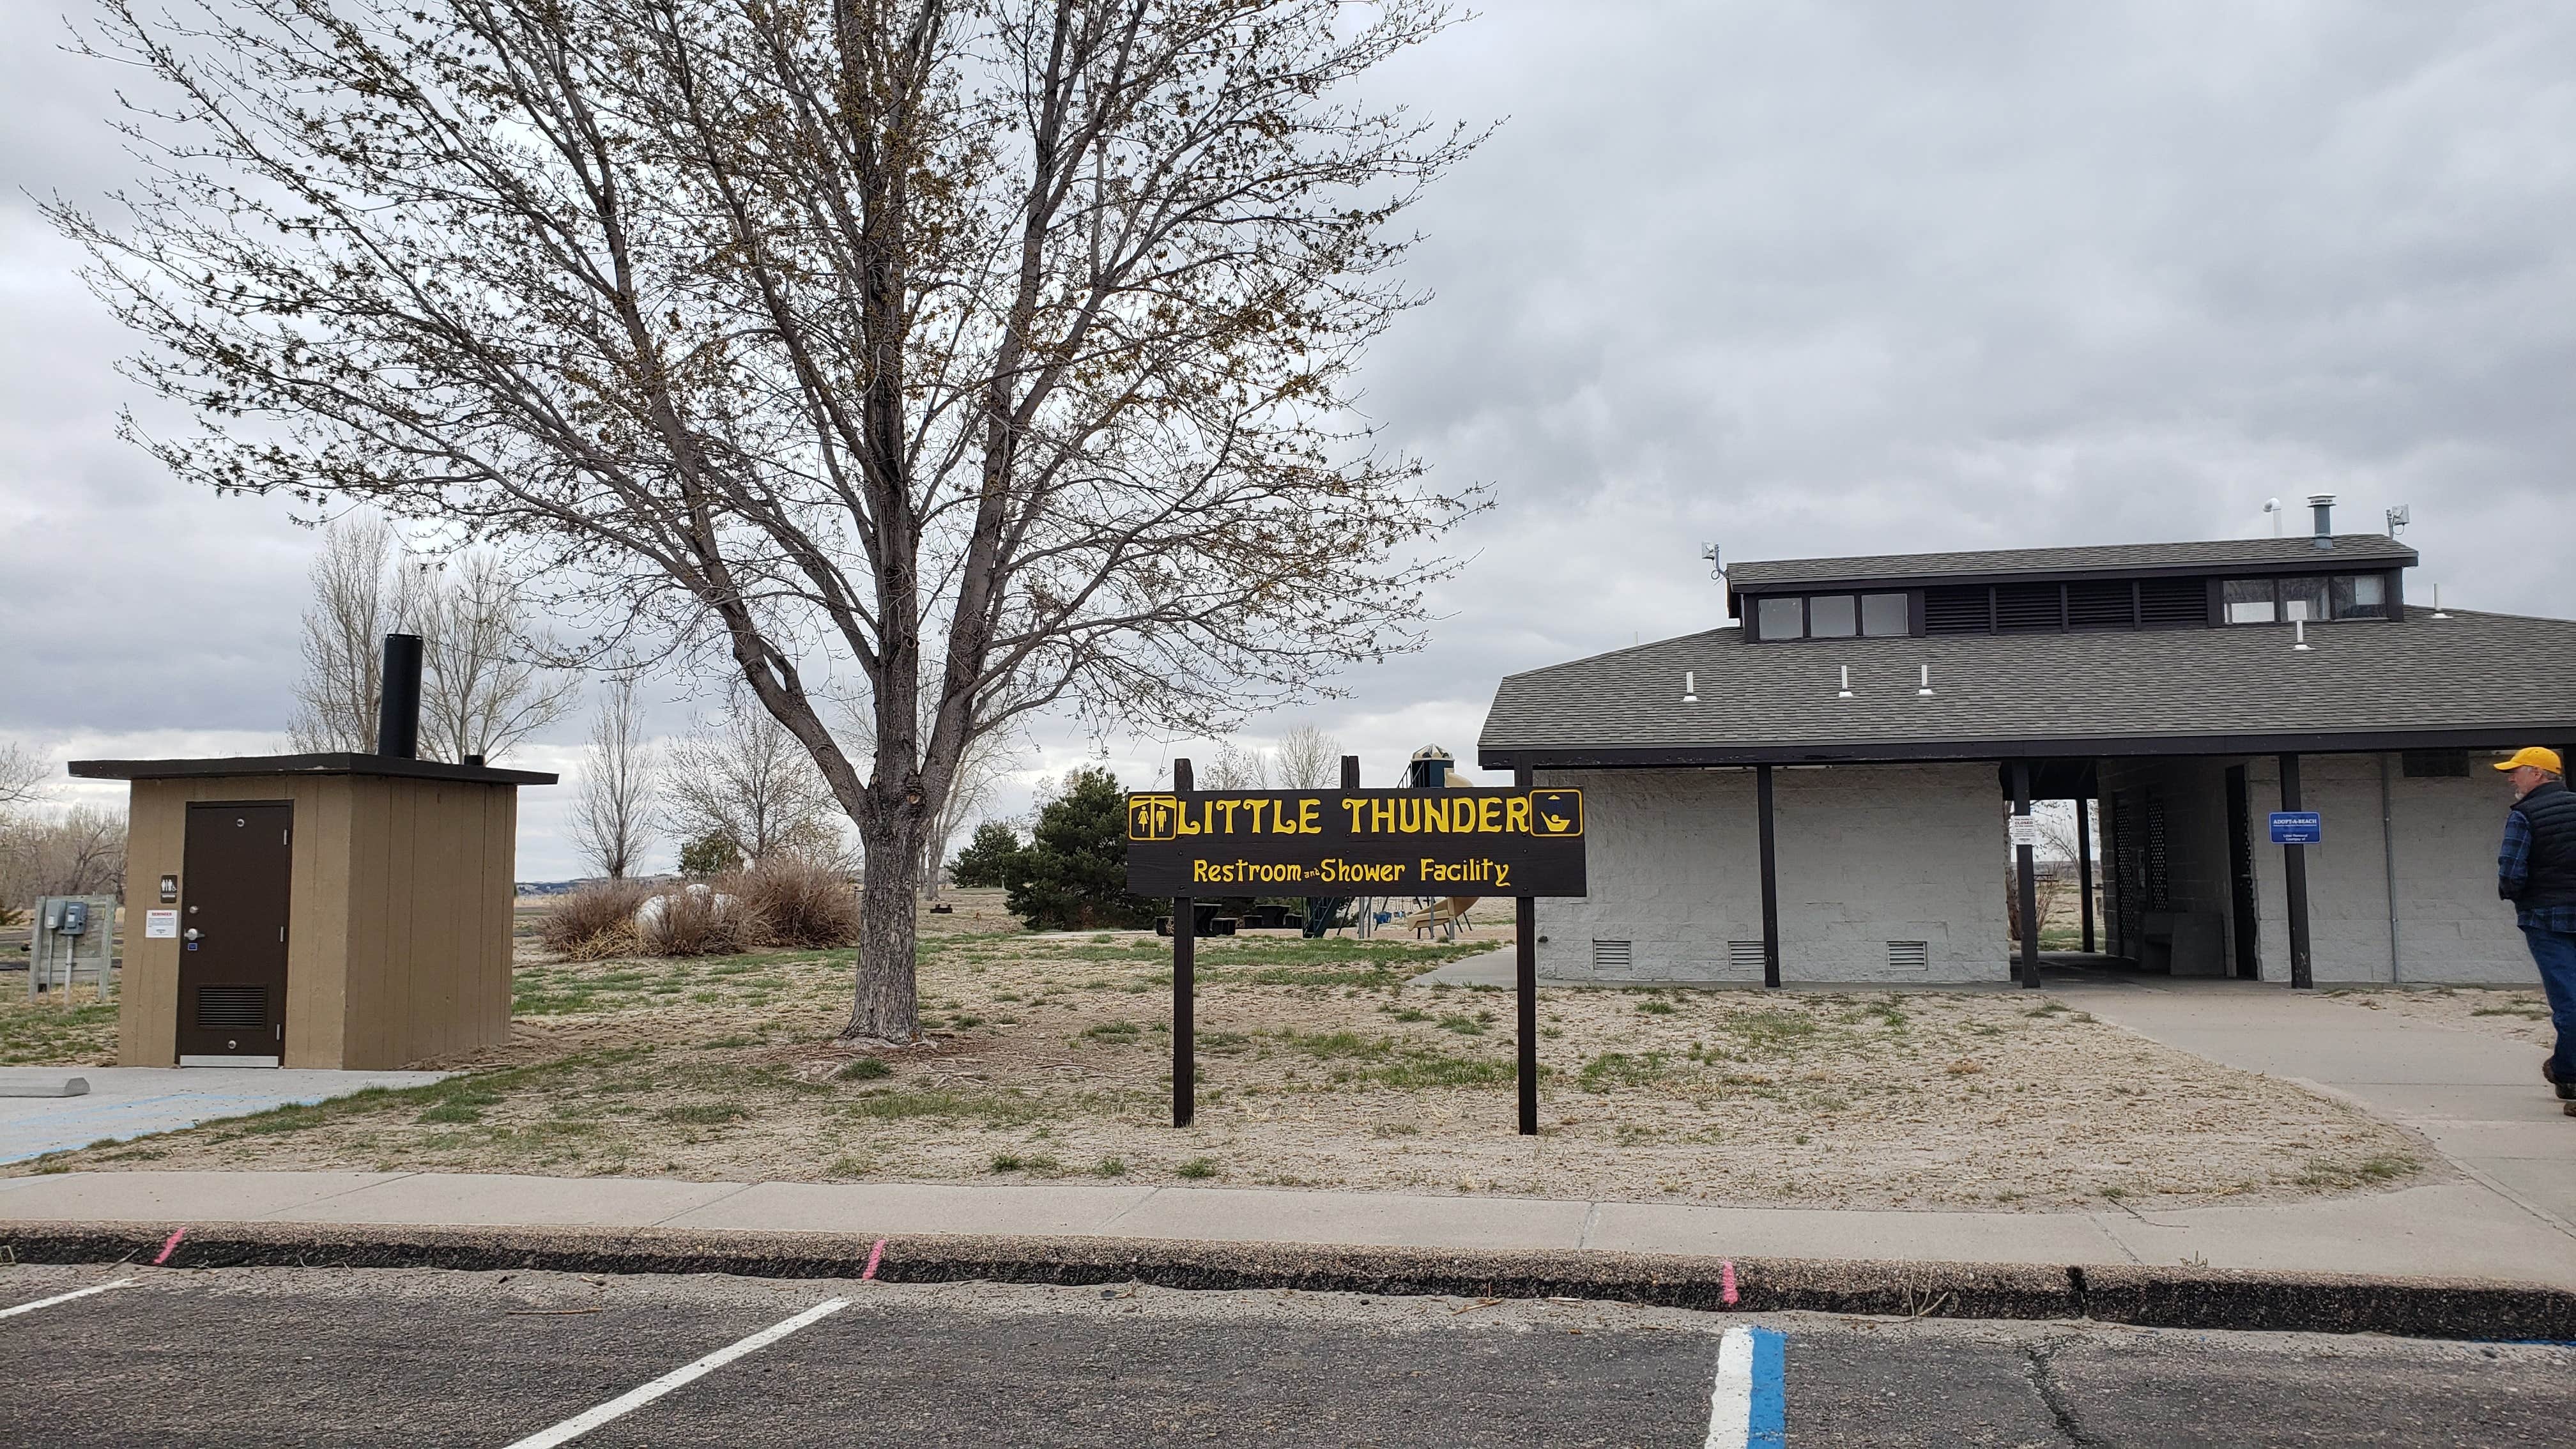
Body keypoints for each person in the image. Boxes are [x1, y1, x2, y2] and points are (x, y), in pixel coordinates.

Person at [2496, 746, 2576, 1112]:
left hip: (2546, 918)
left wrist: (2516, 896)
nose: (2512, 778)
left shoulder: (2524, 814)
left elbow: (2512, 871)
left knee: (2568, 1001)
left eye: (2517, 771)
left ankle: (2568, 1073)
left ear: (2538, 774)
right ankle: (2565, 1070)